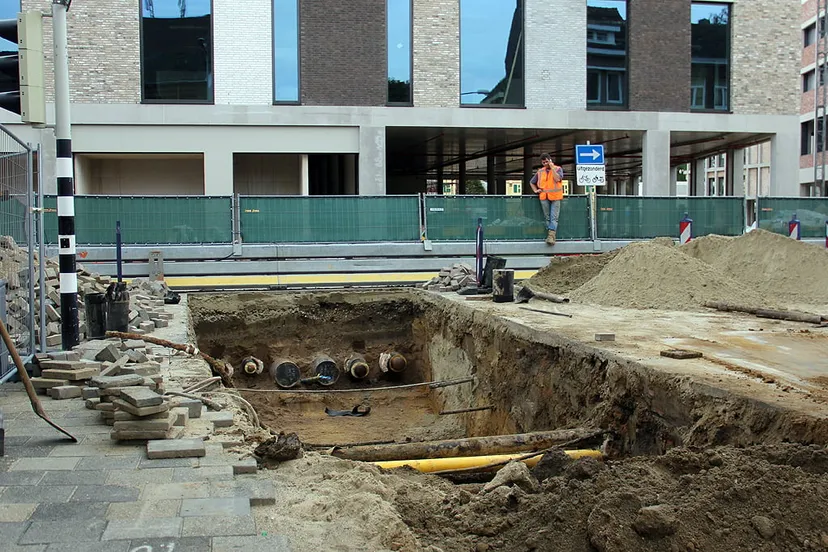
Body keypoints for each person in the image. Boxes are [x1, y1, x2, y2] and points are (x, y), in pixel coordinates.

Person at [529, 153, 564, 245]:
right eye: (543, 162)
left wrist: (552, 168)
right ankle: (550, 235)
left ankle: (551, 236)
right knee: (547, 217)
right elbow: (532, 182)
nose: (545, 164)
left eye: (546, 161)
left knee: (554, 217)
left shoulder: (558, 169)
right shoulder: (540, 172)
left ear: (550, 160)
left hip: (555, 197)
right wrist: (536, 190)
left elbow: (557, 179)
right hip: (544, 197)